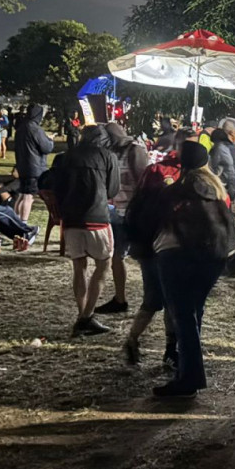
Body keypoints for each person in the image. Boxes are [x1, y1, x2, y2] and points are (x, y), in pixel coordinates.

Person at [151, 140, 235, 397]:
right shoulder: (217, 191)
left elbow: (156, 222)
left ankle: (189, 378)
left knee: (183, 317)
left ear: (182, 164)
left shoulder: (175, 191)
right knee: (194, 313)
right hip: (212, 259)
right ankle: (188, 369)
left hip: (178, 256)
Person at [123, 128, 193, 368]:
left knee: (174, 300)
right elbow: (143, 207)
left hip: (181, 248)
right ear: (178, 146)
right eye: (188, 145)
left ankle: (170, 349)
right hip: (154, 246)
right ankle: (132, 339)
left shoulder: (198, 173)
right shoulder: (158, 171)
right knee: (154, 299)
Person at [53, 125, 120, 336]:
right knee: (103, 264)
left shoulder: (66, 157)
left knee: (79, 267)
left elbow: (57, 187)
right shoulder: (108, 156)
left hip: (71, 219)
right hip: (97, 217)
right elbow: (112, 190)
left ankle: (82, 313)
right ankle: (86, 316)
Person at [94, 123, 151, 315]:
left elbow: (143, 181)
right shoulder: (110, 151)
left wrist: (139, 210)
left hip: (132, 211)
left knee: (139, 256)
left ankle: (148, 298)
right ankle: (120, 298)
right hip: (115, 210)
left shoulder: (134, 150)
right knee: (117, 256)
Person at [14, 104, 54, 222]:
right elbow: (46, 148)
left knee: (22, 194)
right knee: (29, 196)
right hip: (34, 167)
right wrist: (50, 140)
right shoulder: (36, 129)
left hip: (22, 165)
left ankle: (15, 220)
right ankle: (23, 222)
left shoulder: (21, 128)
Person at [208, 117, 235, 203]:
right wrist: (233, 196)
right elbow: (229, 173)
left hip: (231, 192)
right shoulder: (222, 148)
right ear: (232, 132)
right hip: (226, 195)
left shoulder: (227, 146)